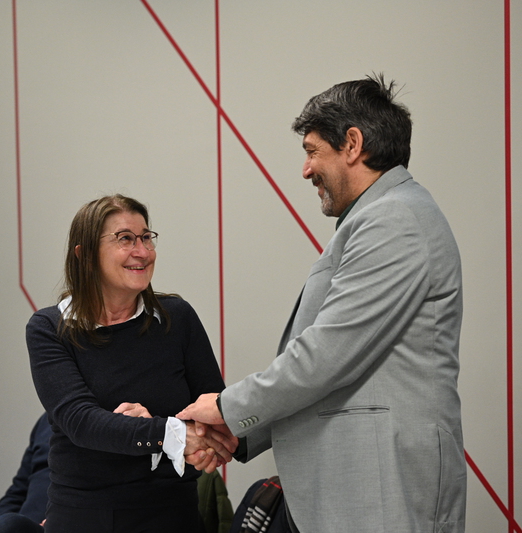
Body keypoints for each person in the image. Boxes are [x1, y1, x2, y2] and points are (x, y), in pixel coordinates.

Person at [179, 74, 467, 532]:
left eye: (312, 151)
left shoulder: (394, 219)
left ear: (352, 144)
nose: (306, 170)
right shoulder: (381, 216)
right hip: (360, 492)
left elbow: (328, 354)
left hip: (380, 492)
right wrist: (238, 432)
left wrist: (228, 409)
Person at [26, 194, 237, 533]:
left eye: (146, 237)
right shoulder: (50, 328)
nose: (142, 251)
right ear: (84, 255)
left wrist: (165, 429)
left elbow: (213, 411)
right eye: (125, 239)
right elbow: (80, 421)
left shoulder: (177, 318)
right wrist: (169, 434)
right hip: (86, 517)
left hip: (173, 514)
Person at [0, 413, 51, 533]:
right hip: (21, 526)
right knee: (7, 523)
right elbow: (18, 491)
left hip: (60, 524)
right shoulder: (47, 420)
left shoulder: (83, 423)